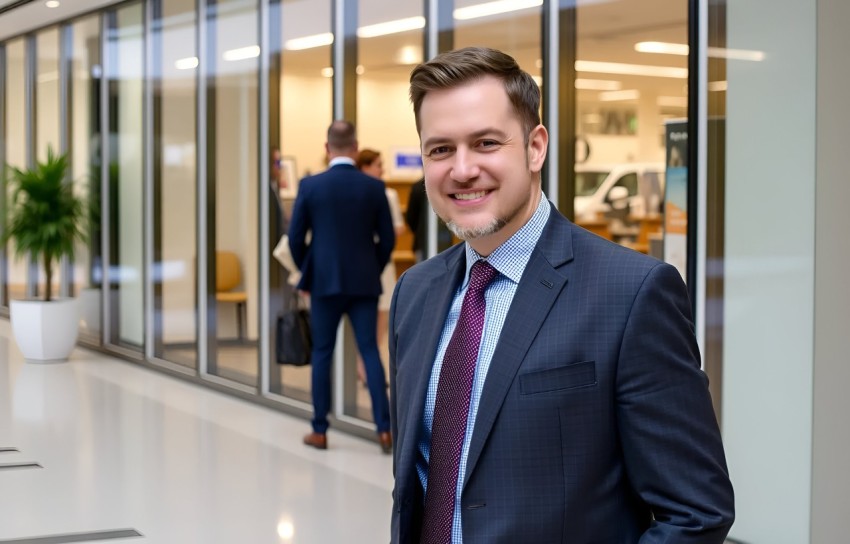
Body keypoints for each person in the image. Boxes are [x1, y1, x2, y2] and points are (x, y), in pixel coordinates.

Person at [388, 47, 734, 543]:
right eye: (440, 149)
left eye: (486, 143)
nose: (461, 170)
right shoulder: (414, 294)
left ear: (535, 147)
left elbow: (696, 512)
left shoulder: (631, 292)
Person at [288, 120, 396, 453]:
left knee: (322, 353)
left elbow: (295, 239)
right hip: (364, 282)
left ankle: (319, 430)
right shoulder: (374, 188)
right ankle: (384, 430)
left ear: (326, 148)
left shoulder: (310, 186)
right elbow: (388, 239)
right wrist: (371, 268)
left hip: (324, 284)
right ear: (355, 146)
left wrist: (310, 270)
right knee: (369, 351)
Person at [357, 148, 406, 378]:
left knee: (381, 315)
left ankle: (366, 365)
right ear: (365, 167)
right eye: (377, 164)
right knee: (369, 317)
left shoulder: (388, 194)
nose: (381, 169)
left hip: (378, 264)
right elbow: (394, 230)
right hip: (375, 262)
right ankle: (364, 366)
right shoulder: (382, 195)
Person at [404, 176, 427, 262]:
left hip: (420, 241)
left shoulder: (417, 186)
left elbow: (411, 217)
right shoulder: (418, 187)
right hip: (423, 242)